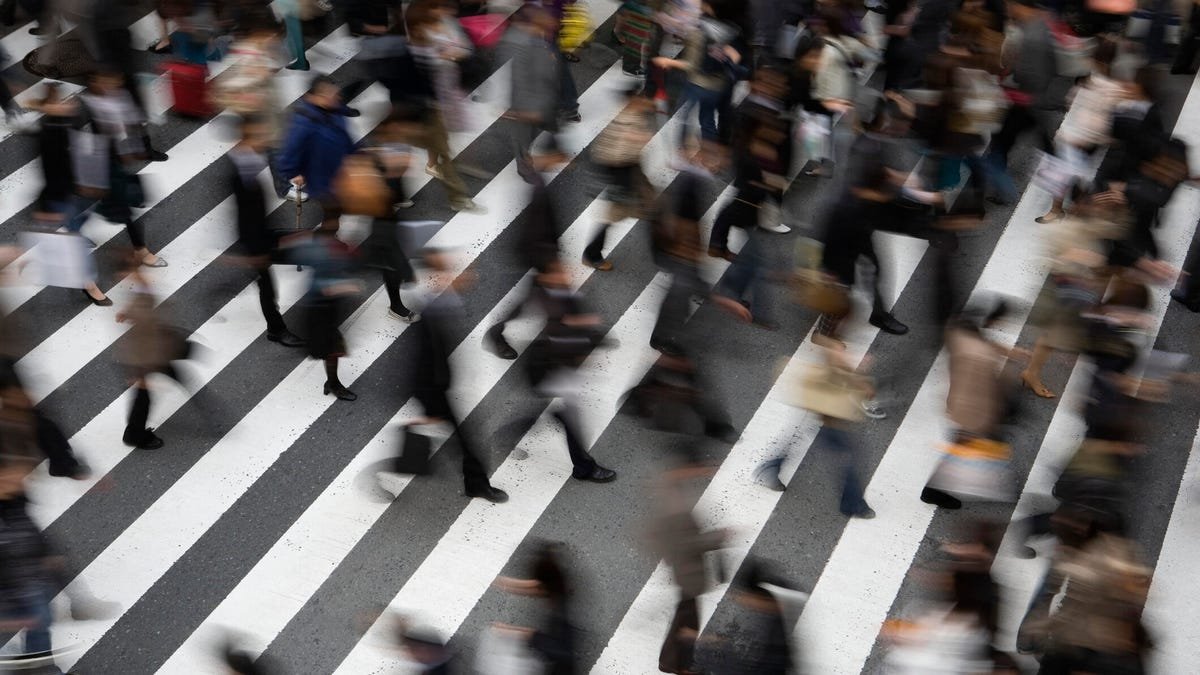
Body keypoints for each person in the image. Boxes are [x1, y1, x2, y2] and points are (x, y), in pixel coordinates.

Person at [407, 247, 509, 503]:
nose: (456, 274)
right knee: (465, 440)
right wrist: (431, 402)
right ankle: (476, 484)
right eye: (447, 269)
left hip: (434, 387)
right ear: (435, 275)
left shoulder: (437, 301)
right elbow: (423, 361)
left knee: (458, 439)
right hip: (432, 389)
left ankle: (474, 483)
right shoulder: (432, 310)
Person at [227, 115, 307, 348]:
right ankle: (276, 329)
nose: (264, 138)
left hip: (261, 232)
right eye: (258, 134)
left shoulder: (247, 158)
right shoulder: (239, 171)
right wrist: (255, 251)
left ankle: (277, 328)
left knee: (304, 245)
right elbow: (244, 215)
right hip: (255, 240)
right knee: (267, 286)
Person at [116, 253, 193, 450]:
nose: (137, 271)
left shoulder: (139, 290)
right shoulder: (139, 295)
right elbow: (137, 338)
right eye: (132, 268)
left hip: (156, 350)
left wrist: (127, 313)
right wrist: (137, 371)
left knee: (174, 378)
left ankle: (208, 410)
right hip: (146, 356)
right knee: (143, 398)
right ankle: (134, 435)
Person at [295, 205, 360, 401]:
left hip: (326, 307)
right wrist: (345, 286)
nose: (338, 225)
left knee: (332, 347)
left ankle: (332, 382)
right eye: (335, 221)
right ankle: (333, 384)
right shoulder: (324, 250)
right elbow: (322, 285)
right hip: (320, 308)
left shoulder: (324, 243)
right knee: (332, 348)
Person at [501, 4, 568, 184]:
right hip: (524, 105)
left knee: (538, 132)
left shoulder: (542, 42)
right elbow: (517, 79)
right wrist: (526, 110)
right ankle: (525, 168)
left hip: (542, 102)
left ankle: (542, 156)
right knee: (522, 138)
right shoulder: (520, 45)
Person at [494, 541, 581, 674]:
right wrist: (501, 582)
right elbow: (534, 586)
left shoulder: (560, 618)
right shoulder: (559, 590)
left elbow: (558, 650)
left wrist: (515, 632)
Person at [277, 74, 358, 206]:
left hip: (341, 171)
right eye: (328, 95)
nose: (335, 98)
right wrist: (293, 173)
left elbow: (344, 137)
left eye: (335, 93)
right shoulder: (303, 123)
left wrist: (355, 153)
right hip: (323, 180)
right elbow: (289, 155)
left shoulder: (334, 110)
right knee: (334, 209)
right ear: (314, 96)